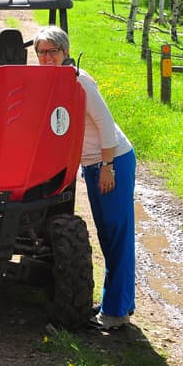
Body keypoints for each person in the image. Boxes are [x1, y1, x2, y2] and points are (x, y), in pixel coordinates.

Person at [34, 25, 136, 331]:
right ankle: (111, 304)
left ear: (65, 51)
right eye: (41, 52)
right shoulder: (53, 81)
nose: (47, 57)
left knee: (118, 235)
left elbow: (105, 125)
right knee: (106, 234)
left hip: (112, 160)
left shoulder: (78, 81)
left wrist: (108, 166)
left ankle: (118, 312)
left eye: (53, 51)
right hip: (92, 165)